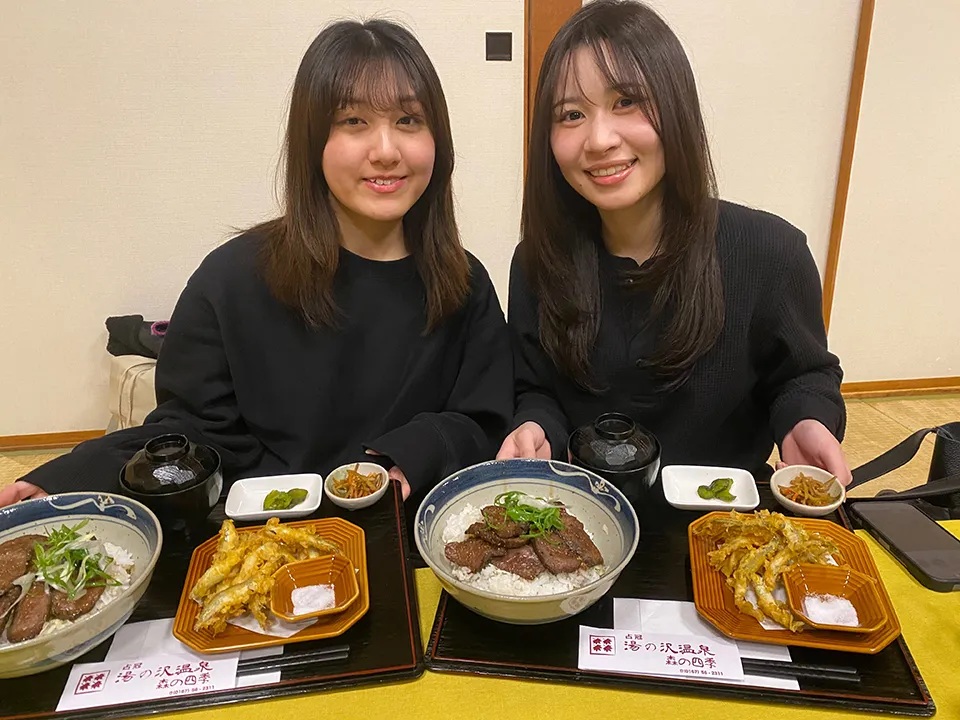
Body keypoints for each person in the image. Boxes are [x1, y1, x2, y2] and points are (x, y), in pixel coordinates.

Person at [2, 19, 513, 508]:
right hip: (261, 539)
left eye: (408, 120)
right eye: (353, 121)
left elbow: (482, 420)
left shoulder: (464, 284)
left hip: (407, 534)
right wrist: (71, 478)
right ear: (312, 141)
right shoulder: (232, 280)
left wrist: (412, 453)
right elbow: (188, 433)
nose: (385, 150)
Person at [497, 0, 850, 485]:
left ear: (676, 106)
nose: (599, 139)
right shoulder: (537, 261)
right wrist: (536, 426)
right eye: (572, 114)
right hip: (583, 516)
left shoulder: (771, 252)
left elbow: (802, 375)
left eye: (627, 102)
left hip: (723, 517)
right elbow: (537, 389)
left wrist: (805, 420)